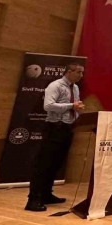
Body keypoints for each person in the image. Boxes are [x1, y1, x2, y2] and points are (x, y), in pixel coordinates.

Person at [26, 63, 85, 211]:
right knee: (43, 164)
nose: (81, 75)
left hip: (67, 128)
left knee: (56, 164)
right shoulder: (55, 85)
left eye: (82, 72)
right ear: (69, 71)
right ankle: (33, 199)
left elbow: (75, 105)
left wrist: (77, 111)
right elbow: (48, 105)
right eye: (78, 72)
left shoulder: (75, 88)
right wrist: (71, 106)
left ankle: (46, 194)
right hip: (54, 128)